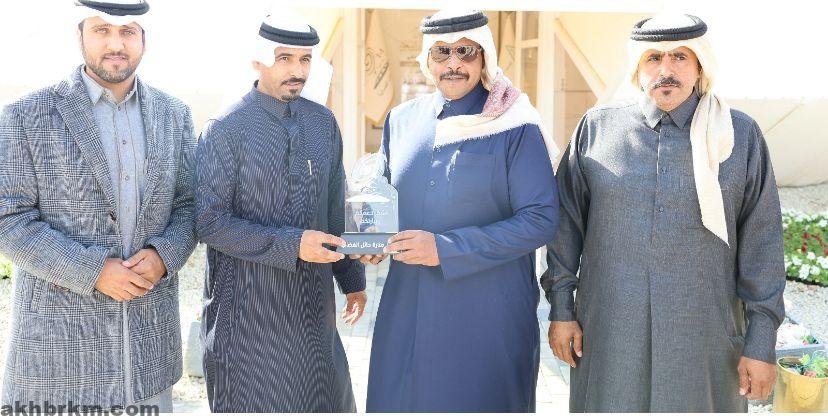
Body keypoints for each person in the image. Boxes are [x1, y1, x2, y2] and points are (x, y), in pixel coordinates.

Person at [541, 14, 786, 412]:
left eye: (680, 57)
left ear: (700, 66)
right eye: (653, 57)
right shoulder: (597, 129)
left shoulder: (739, 136)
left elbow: (763, 245)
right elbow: (564, 228)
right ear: (637, 67)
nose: (666, 69)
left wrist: (760, 343)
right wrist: (562, 310)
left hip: (705, 338)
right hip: (609, 334)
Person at [0, 0, 197, 411]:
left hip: (149, 358)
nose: (116, 44)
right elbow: (9, 221)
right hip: (58, 360)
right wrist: (93, 271)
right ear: (80, 35)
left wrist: (164, 256)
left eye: (127, 32)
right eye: (102, 30)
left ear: (144, 39)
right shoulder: (25, 115)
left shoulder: (174, 115)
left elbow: (189, 205)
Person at [361, 10, 560, 412]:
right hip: (407, 307)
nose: (453, 63)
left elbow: (541, 219)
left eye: (466, 52)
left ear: (484, 56)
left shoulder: (514, 124)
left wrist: (445, 248)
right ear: (428, 60)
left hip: (486, 315)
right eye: (442, 52)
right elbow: (383, 195)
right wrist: (372, 238)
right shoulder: (402, 120)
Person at [195, 9, 366, 413]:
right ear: (259, 60)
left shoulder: (322, 123)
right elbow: (209, 222)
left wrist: (352, 279)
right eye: (284, 58)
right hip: (247, 319)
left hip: (313, 314)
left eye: (305, 59)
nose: (297, 70)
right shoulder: (226, 128)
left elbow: (334, 207)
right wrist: (293, 244)